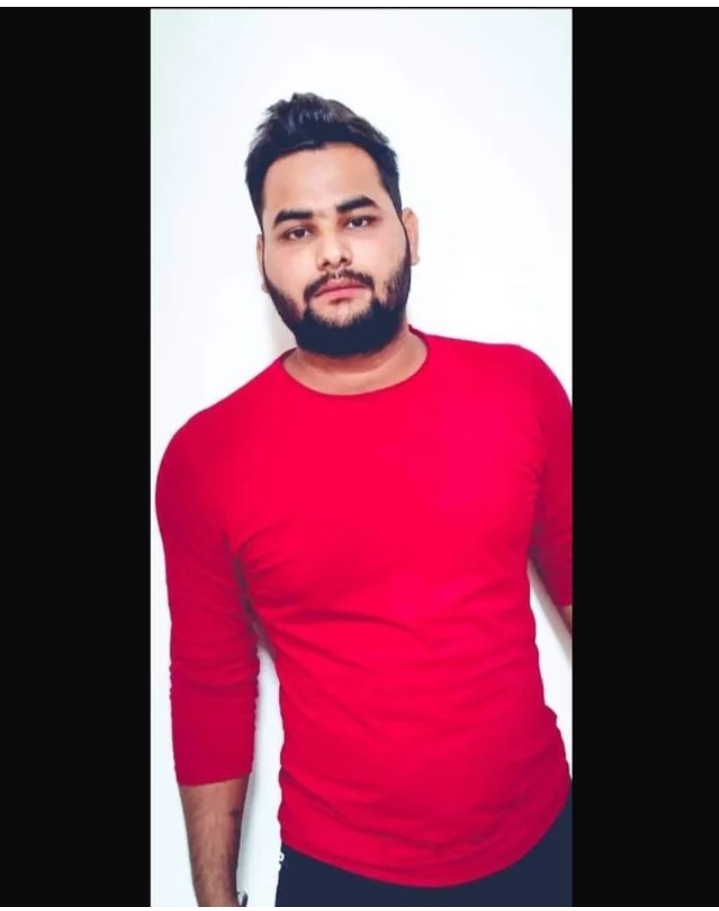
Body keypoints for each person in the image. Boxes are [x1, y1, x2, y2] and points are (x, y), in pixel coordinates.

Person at [155, 92, 572, 908]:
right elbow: (211, 686)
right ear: (263, 259)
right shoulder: (204, 460)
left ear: (407, 231)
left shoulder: (518, 390)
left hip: (545, 844)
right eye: (297, 231)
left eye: (357, 219)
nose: (332, 252)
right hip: (341, 876)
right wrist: (214, 898)